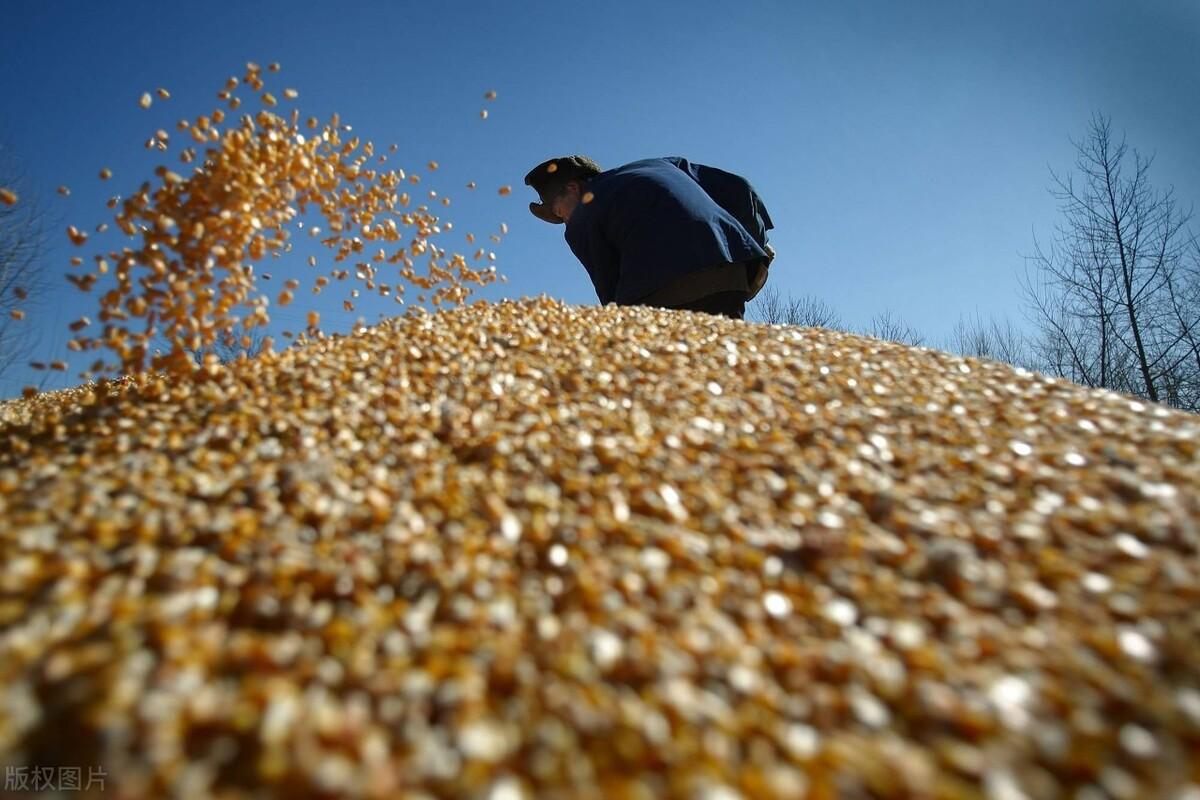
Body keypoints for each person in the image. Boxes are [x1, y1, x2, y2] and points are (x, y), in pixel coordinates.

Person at [523, 155, 775, 320]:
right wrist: (755, 241)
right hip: (730, 271)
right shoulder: (661, 165)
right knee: (726, 358)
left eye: (559, 212)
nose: (565, 220)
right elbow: (740, 188)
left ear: (573, 188)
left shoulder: (583, 215)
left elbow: (608, 287)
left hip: (664, 290)